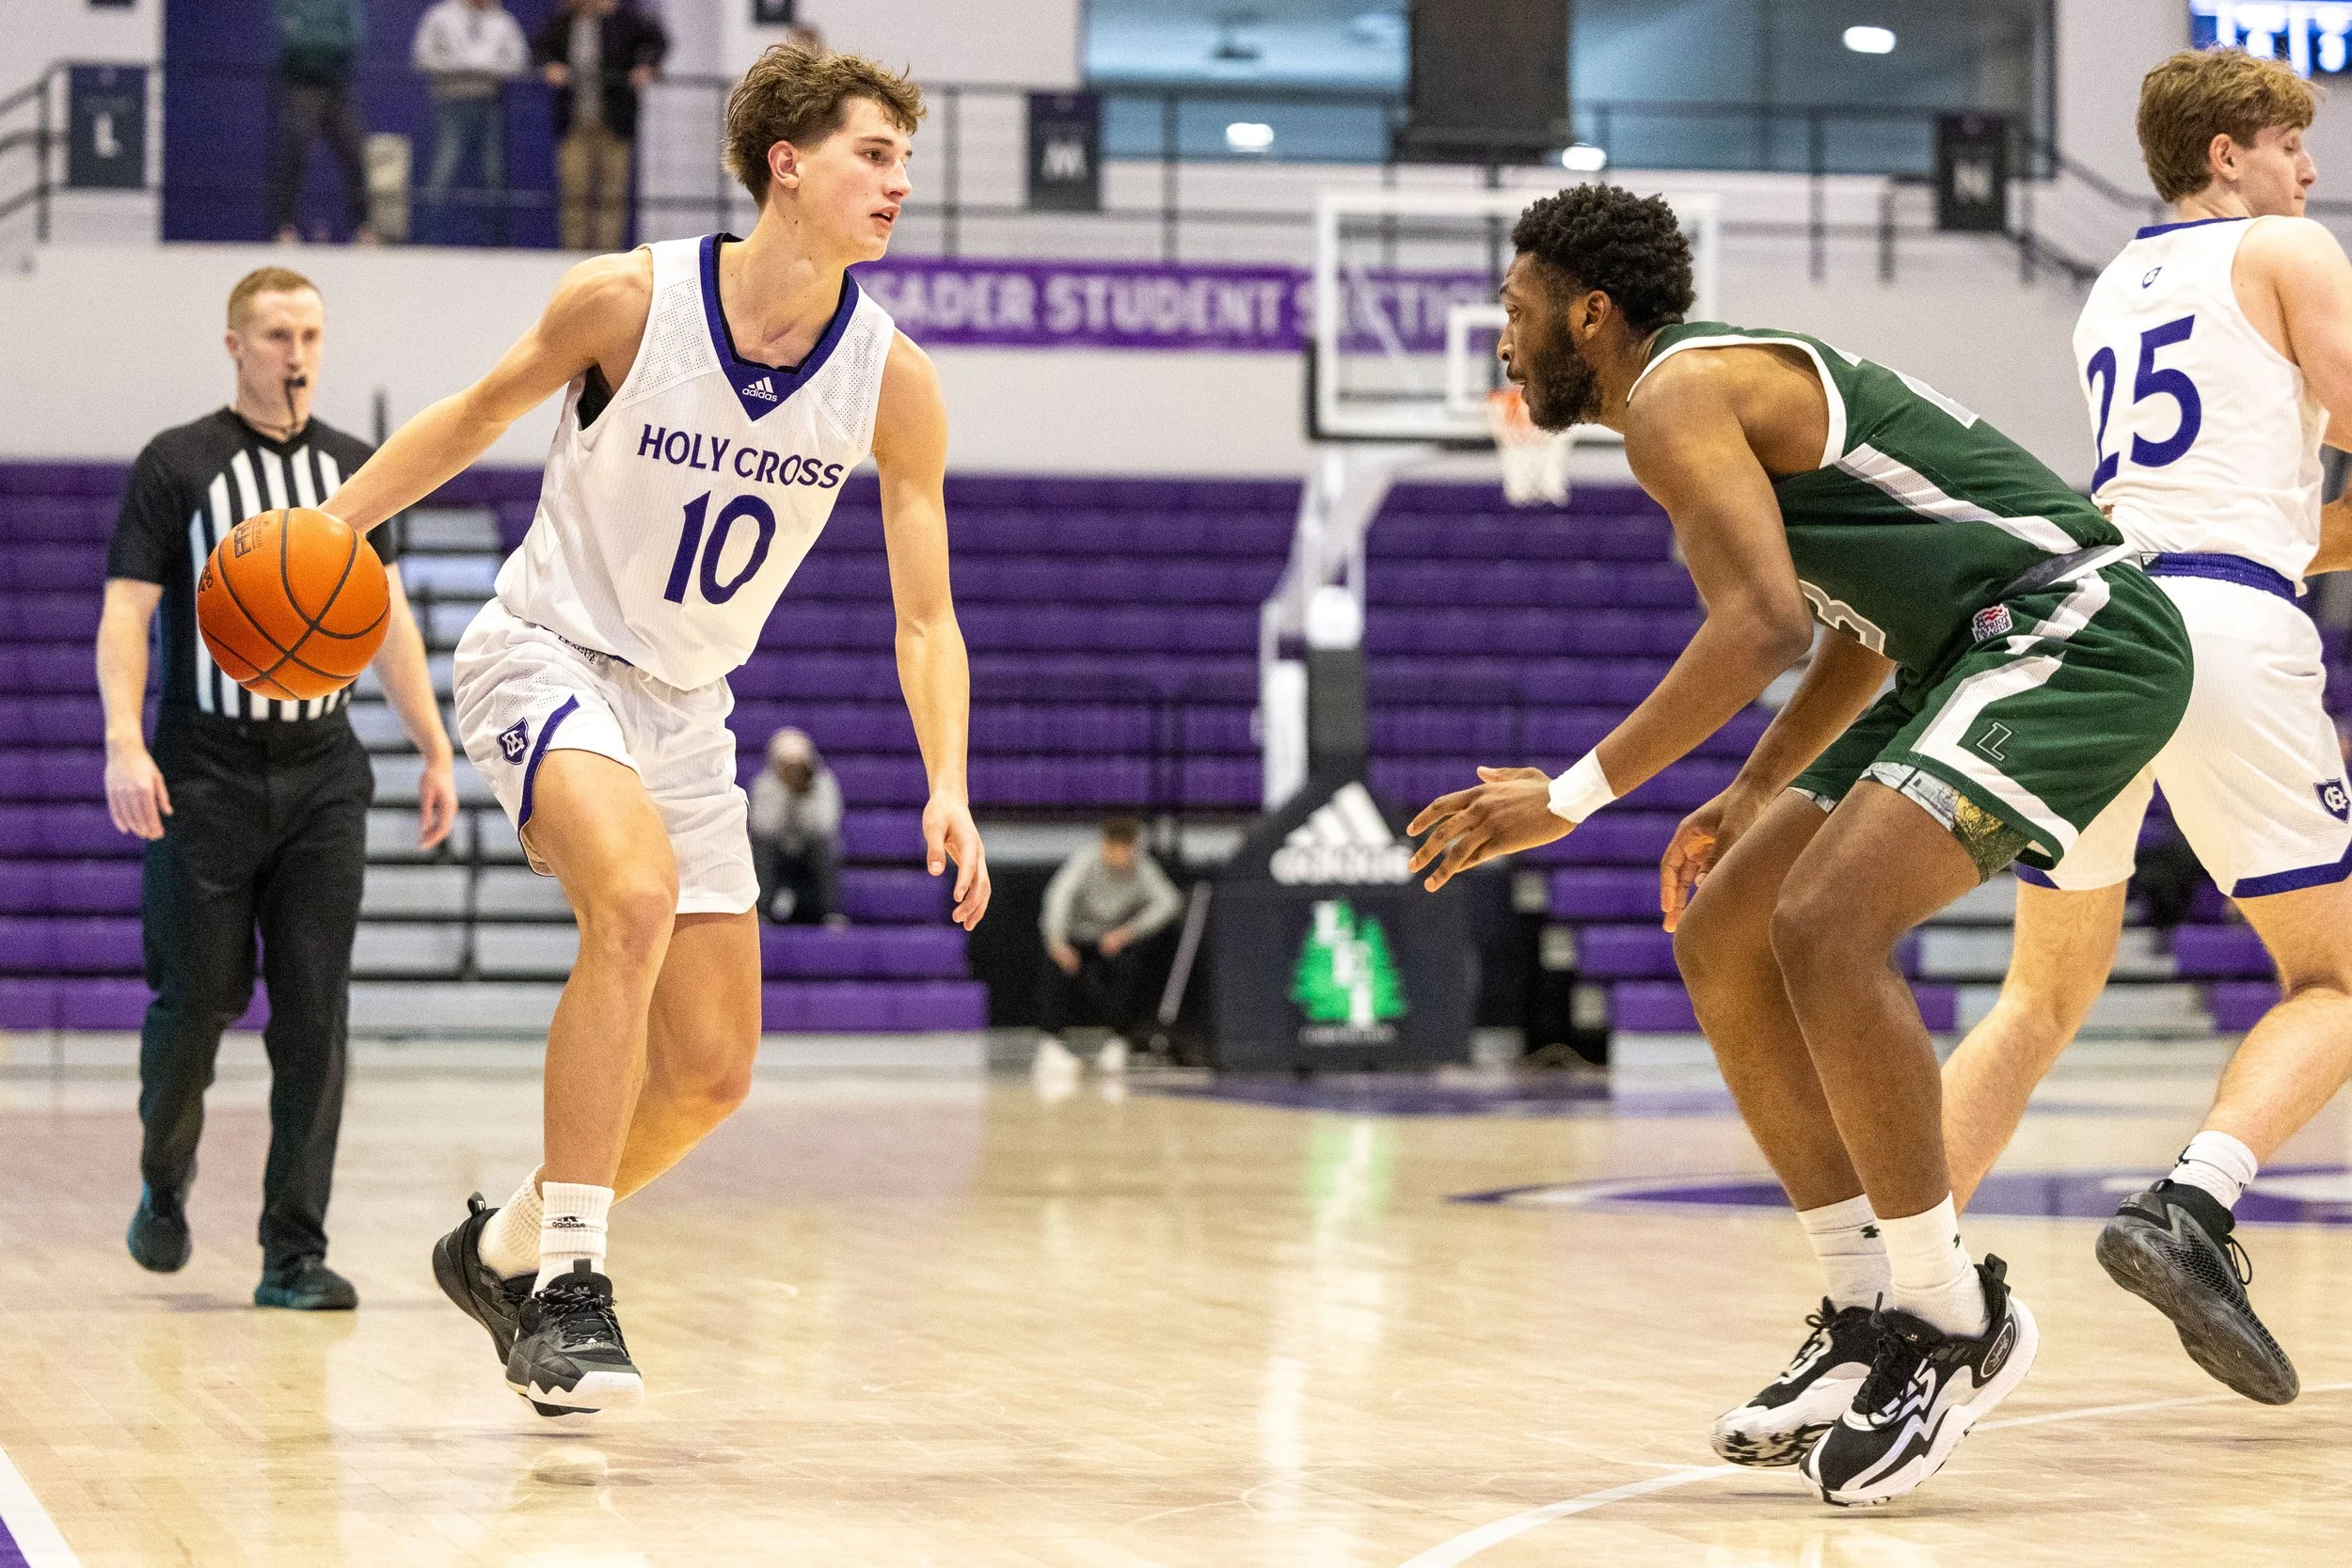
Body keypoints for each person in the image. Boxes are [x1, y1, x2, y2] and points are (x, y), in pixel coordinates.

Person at [1406, 184, 2193, 1506]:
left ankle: (1952, 1314)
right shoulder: (1700, 398)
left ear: (1589, 314)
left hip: (2072, 624)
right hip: (1954, 649)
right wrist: (1753, 786)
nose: (1501, 332)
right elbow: (1845, 618)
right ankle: (1865, 1302)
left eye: (1516, 306)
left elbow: (1760, 623)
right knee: (1726, 929)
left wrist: (1574, 794)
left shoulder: (1671, 394)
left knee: (1826, 926)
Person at [317, 46, 988, 1415]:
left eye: (908, 162)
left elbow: (926, 616)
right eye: (875, 154)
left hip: (690, 711)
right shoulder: (630, 298)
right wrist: (333, 526)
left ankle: (498, 1247)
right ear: (785, 164)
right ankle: (571, 1280)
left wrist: (949, 780)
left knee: (712, 1072)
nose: (900, 183)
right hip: (546, 650)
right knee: (629, 898)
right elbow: (476, 413)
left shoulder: (892, 379)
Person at [1939, 47, 2352, 1408]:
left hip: (2103, 626)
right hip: (2229, 624)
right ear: (2228, 153)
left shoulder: (2112, 286)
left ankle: (1898, 1292)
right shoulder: (2292, 248)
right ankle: (2194, 1198)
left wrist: (2305, 541)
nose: (2311, 168)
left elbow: (2244, 498)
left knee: (2039, 996)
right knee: (2340, 979)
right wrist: (2303, 547)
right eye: (2291, 143)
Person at [99, 266, 456, 1310]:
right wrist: (126, 740)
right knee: (193, 1008)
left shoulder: (356, 469)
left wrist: (432, 743)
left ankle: (292, 1250)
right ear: (234, 344)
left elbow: (384, 618)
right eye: (274, 334)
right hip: (200, 769)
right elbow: (127, 613)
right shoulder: (179, 463)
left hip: (319, 776)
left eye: (309, 333)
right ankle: (164, 1181)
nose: (295, 352)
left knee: (315, 1017)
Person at [1034, 816, 1183, 1078]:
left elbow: (1169, 901)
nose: (1120, 856)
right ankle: (1050, 1044)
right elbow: (1059, 897)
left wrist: (1130, 932)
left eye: (1127, 850)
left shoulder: (1142, 868)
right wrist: (1057, 941)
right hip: (1077, 938)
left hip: (1112, 942)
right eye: (1115, 848)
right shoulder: (1085, 861)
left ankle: (1118, 1040)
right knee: (1053, 966)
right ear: (1104, 845)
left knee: (1133, 964)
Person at [532, 0, 668, 252]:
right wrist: (551, 66)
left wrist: (645, 67)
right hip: (574, 123)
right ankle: (572, 256)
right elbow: (538, 49)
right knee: (574, 193)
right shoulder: (562, 21)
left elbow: (657, 41)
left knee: (612, 195)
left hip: (615, 123)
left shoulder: (625, 20)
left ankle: (606, 257)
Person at [410, 0, 529, 245]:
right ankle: (428, 243)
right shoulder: (441, 15)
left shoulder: (502, 20)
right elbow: (422, 55)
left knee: (492, 175)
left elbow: (519, 61)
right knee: (442, 172)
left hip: (488, 102)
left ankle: (494, 246)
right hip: (450, 101)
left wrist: (485, 68)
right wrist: (459, 67)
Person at [270, 0, 376, 245]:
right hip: (300, 86)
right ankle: (285, 228)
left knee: (355, 154)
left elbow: (353, 38)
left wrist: (317, 42)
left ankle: (365, 228)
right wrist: (326, 41)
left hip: (338, 88)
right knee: (293, 154)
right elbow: (291, 41)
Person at [750, 726, 843, 924]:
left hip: (808, 850)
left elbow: (824, 827)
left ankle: (830, 912)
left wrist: (804, 794)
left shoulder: (824, 783)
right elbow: (763, 828)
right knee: (761, 847)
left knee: (826, 847)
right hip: (778, 851)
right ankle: (762, 911)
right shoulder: (764, 784)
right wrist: (786, 793)